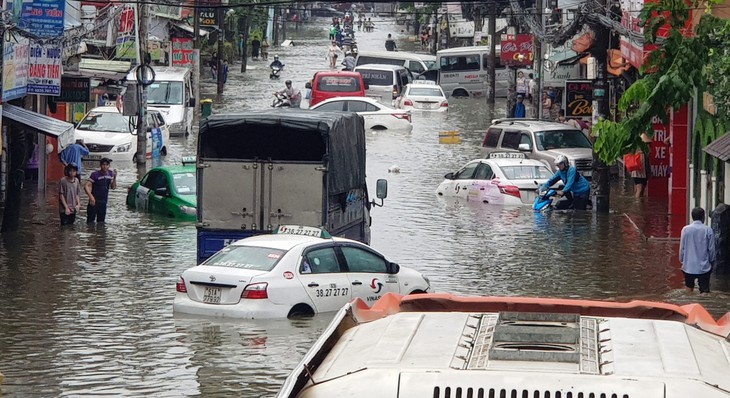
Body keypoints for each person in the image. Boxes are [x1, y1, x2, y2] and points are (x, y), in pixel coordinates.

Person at [679, 207, 715, 293]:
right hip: (704, 267)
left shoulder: (685, 229)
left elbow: (682, 248)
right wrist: (711, 261)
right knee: (704, 291)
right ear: (703, 217)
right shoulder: (708, 230)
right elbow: (711, 250)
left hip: (689, 266)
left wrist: (682, 261)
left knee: (688, 289)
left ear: (692, 217)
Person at [85, 158, 116, 223]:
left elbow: (113, 187)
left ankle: (100, 233)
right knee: (90, 222)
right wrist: (91, 197)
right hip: (94, 201)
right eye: (103, 165)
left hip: (103, 202)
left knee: (101, 223)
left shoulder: (111, 174)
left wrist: (115, 177)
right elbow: (86, 186)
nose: (105, 166)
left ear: (109, 166)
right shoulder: (95, 174)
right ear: (100, 165)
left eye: (106, 165)